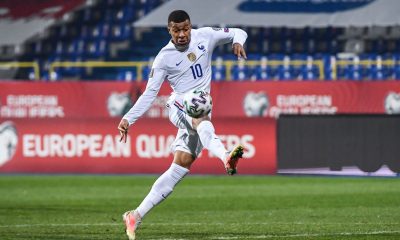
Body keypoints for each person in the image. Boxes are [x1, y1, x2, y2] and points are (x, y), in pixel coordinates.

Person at [117, 10, 248, 240]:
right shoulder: (163, 58)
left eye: (185, 28)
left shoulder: (205, 36)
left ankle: (135, 215)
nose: (182, 34)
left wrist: (237, 42)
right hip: (178, 106)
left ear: (190, 26)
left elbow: (239, 31)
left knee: (180, 166)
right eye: (176, 30)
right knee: (200, 114)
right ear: (169, 30)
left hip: (199, 108)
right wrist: (129, 117)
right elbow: (150, 93)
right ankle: (226, 157)